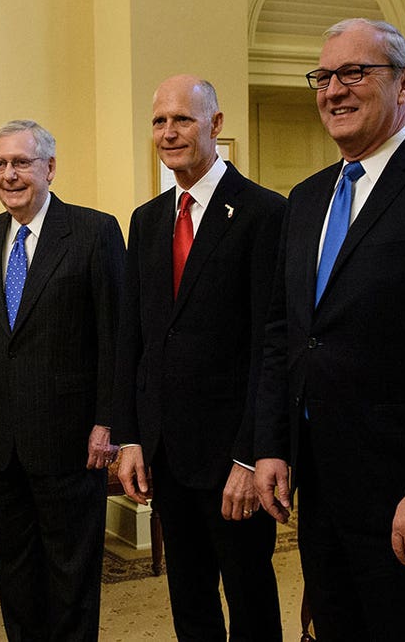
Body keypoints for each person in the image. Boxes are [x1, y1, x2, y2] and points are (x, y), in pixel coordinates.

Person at [254, 18, 405, 640]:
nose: (334, 90)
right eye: (323, 77)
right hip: (321, 488)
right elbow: (286, 333)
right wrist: (270, 446)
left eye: (355, 72)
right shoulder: (304, 199)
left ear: (404, 83)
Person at [113, 75, 285, 641]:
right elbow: (135, 341)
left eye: (182, 119)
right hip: (167, 454)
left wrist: (250, 455)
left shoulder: (263, 214)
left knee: (250, 600)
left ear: (215, 124)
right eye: (160, 121)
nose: (169, 132)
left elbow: (270, 346)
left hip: (234, 462)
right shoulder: (147, 220)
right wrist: (132, 437)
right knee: (189, 602)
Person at [0, 119, 124, 641]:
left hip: (73, 441)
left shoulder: (94, 232)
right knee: (15, 573)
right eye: (0, 164)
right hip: (1, 443)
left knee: (71, 577)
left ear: (49, 168)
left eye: (21, 163)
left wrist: (108, 422)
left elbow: (115, 338)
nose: (10, 175)